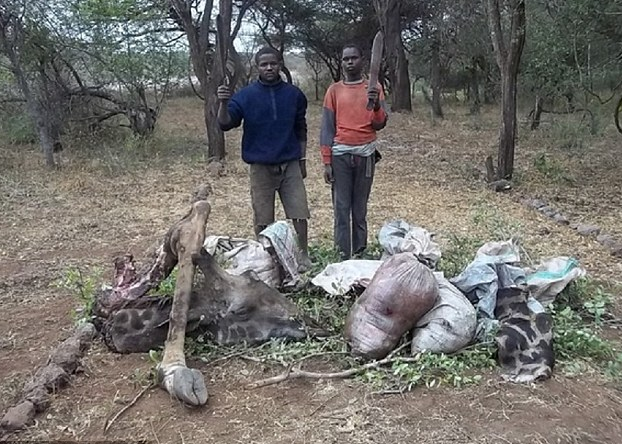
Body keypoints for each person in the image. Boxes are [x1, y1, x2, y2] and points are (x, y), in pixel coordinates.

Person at [217, 47, 311, 267]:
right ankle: (266, 258)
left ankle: (303, 254)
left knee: (299, 213)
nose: (269, 68)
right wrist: (222, 102)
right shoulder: (245, 96)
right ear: (257, 67)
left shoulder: (294, 95)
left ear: (280, 65)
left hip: (290, 164)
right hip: (260, 166)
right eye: (264, 64)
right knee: (262, 218)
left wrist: (303, 160)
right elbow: (225, 123)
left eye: (273, 63)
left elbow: (301, 129)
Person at [320, 43, 388, 260]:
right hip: (340, 156)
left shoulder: (374, 88)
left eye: (354, 58)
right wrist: (327, 161)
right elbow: (327, 128)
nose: (349, 62)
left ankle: (360, 254)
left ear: (362, 60)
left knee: (359, 210)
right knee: (341, 209)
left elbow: (380, 124)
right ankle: (342, 257)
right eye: (345, 59)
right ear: (341, 63)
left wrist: (376, 105)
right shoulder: (334, 90)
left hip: (366, 156)